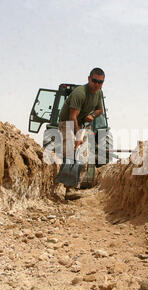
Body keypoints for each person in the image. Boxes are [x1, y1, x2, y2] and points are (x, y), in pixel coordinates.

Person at [57, 67, 105, 200]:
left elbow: (100, 110)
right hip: (67, 123)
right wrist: (78, 137)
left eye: (100, 82)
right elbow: (72, 117)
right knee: (71, 153)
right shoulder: (80, 93)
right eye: (95, 81)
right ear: (89, 79)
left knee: (83, 157)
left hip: (81, 124)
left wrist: (92, 115)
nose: (97, 84)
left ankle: (73, 187)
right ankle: (67, 189)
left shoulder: (99, 93)